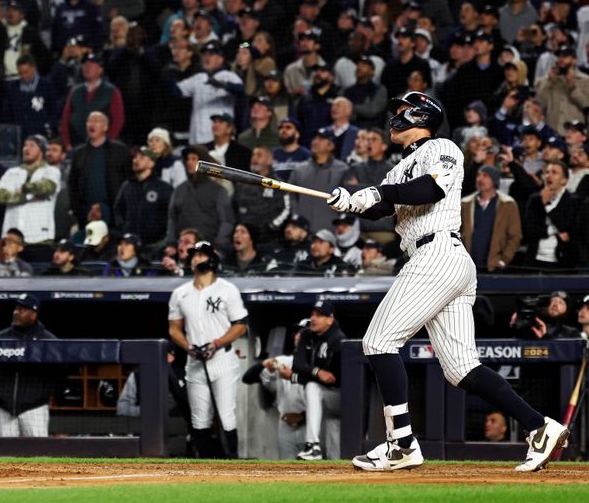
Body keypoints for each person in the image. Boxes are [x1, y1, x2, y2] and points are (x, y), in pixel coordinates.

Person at [327, 90, 570, 472]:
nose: (397, 116)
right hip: (442, 261)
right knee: (461, 369)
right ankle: (540, 426)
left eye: (404, 110)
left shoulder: (442, 147)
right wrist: (352, 202)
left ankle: (402, 443)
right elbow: (386, 203)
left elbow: (430, 188)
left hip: (437, 254)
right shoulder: (397, 167)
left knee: (377, 342)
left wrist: (376, 193)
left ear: (420, 115)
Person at [168, 241, 248, 458]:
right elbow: (174, 329)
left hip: (222, 358)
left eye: (201, 254)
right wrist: (188, 347)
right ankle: (205, 467)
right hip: (195, 360)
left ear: (212, 259)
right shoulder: (180, 293)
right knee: (199, 419)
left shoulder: (227, 289)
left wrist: (216, 343)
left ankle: (231, 464)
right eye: (194, 254)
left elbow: (241, 325)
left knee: (226, 415)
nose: (196, 258)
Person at [242, 318, 308, 460]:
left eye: (302, 332)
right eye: (296, 332)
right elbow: (247, 378)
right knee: (286, 471)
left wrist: (303, 417)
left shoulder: (319, 364)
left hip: (311, 426)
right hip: (286, 424)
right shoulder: (284, 361)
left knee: (318, 471)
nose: (298, 335)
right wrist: (264, 364)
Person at [0, 295, 56, 437]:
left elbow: (57, 372)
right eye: (16, 308)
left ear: (33, 314)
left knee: (38, 455)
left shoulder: (46, 339)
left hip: (34, 408)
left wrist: (44, 395)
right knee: (5, 455)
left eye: (22, 310)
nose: (16, 312)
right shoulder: (2, 337)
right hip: (5, 407)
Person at [292, 301, 345, 460]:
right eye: (312, 314)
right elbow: (297, 364)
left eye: (319, 315)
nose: (313, 318)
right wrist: (317, 372)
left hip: (340, 396)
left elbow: (334, 378)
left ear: (330, 319)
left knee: (312, 387)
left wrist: (309, 374)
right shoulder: (307, 335)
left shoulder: (338, 339)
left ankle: (312, 446)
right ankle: (314, 448)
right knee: (334, 452)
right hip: (322, 395)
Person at [0, 134, 60, 260]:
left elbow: (47, 187)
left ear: (41, 151)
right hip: (11, 239)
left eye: (31, 145)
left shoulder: (51, 171)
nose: (26, 149)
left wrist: (24, 188)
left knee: (39, 277)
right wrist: (25, 197)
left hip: (40, 237)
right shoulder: (12, 172)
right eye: (25, 145)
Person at [175, 40, 243, 146]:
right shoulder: (198, 78)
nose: (206, 58)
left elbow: (241, 90)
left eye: (211, 54)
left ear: (221, 58)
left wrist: (222, 85)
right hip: (196, 140)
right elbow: (176, 92)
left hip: (219, 142)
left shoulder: (229, 76)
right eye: (205, 55)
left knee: (214, 163)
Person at [167, 145, 234, 249]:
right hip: (183, 248)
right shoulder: (179, 190)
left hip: (210, 247)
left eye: (194, 159)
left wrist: (218, 245)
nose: (189, 162)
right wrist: (170, 244)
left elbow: (227, 221)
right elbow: (172, 219)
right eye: (188, 159)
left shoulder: (219, 191)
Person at [460, 165, 522, 273]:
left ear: (494, 180)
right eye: (478, 175)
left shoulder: (508, 204)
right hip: (466, 266)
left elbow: (515, 236)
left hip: (494, 267)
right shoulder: (465, 204)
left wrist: (504, 260)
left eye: (485, 176)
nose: (480, 179)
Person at [522, 161, 581, 271]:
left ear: (564, 180)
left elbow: (565, 225)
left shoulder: (573, 201)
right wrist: (552, 230)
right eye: (547, 172)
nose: (549, 176)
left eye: (554, 172)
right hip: (535, 260)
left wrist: (545, 206)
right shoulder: (534, 199)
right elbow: (529, 230)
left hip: (562, 261)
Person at [289, 128, 348, 234]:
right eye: (314, 138)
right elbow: (291, 196)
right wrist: (296, 218)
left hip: (330, 232)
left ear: (331, 145)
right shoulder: (300, 169)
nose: (315, 141)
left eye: (321, 139)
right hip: (303, 231)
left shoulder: (342, 170)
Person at [59, 54, 124, 150]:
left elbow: (118, 121)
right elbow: (65, 119)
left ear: (100, 69)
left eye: (91, 65)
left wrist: (107, 143)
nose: (86, 68)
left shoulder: (112, 91)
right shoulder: (75, 91)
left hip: (101, 146)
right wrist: (67, 144)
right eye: (85, 65)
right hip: (76, 145)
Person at [113, 146, 172, 247]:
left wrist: (159, 230)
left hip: (154, 244)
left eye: (142, 157)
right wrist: (124, 227)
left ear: (151, 163)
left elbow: (170, 213)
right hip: (130, 245)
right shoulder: (126, 186)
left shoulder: (162, 187)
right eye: (135, 157)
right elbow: (118, 209)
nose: (136, 160)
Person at [232, 146, 291, 245]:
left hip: (270, 238)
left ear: (270, 160)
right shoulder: (242, 183)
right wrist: (240, 228)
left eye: (259, 155)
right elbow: (234, 207)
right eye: (253, 155)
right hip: (245, 238)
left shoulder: (279, 185)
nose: (254, 158)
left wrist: (271, 227)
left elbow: (287, 209)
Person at [4, 54, 59, 139]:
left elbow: (53, 110)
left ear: (34, 68)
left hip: (41, 134)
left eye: (26, 72)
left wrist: (49, 127)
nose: (23, 76)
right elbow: (8, 112)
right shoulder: (12, 88)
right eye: (20, 73)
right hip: (19, 135)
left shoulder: (47, 86)